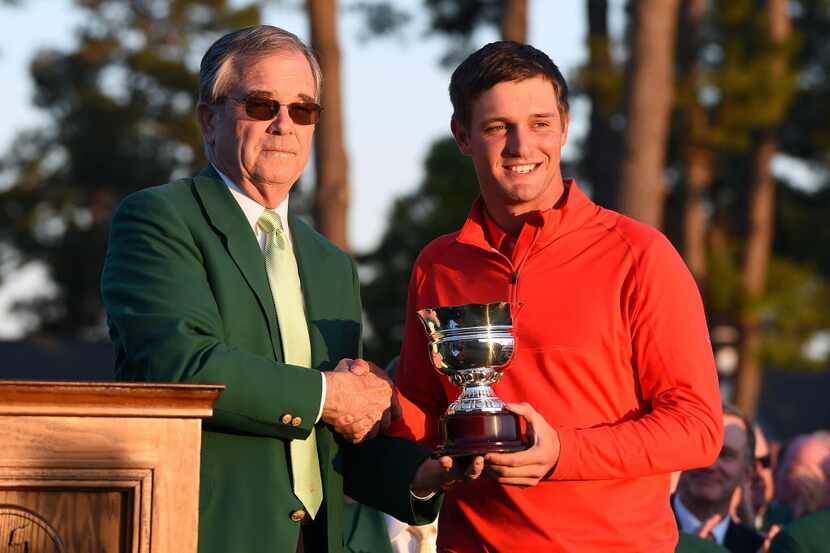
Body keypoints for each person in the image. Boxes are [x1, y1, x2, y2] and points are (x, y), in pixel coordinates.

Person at [101, 25, 455, 553]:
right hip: (201, 536)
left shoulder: (331, 262)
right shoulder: (160, 219)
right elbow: (179, 368)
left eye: (303, 110)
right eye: (262, 106)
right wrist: (330, 394)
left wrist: (423, 476)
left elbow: (337, 437)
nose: (284, 126)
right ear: (209, 119)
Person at [385, 41, 723, 552]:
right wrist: (377, 401)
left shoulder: (639, 254)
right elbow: (423, 413)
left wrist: (563, 451)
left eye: (540, 123)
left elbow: (697, 427)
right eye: (499, 127)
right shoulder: (438, 263)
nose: (522, 146)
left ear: (564, 127)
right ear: (463, 136)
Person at [674, 404, 765, 552]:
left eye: (726, 455)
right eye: (702, 448)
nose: (710, 465)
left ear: (747, 472)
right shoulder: (643, 529)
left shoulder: (756, 548)